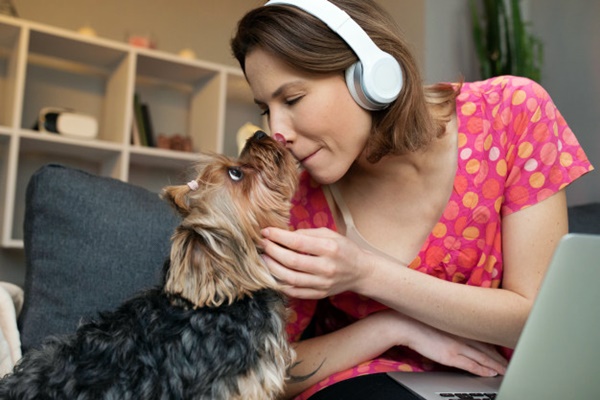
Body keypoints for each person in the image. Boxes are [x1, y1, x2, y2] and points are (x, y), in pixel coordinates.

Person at [230, 0, 593, 399]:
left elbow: (542, 321)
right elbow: (256, 376)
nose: (277, 130)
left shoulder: (512, 115)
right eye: (267, 109)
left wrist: (366, 274)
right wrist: (391, 327)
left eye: (293, 99)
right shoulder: (296, 202)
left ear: (368, 73)